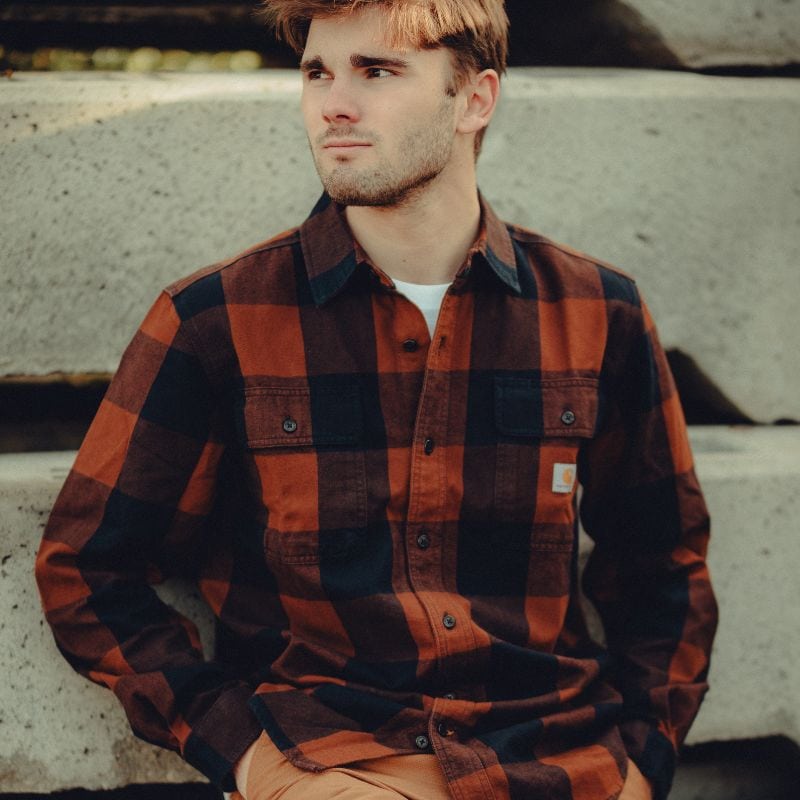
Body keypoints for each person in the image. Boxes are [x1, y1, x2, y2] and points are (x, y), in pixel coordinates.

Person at [35, 1, 718, 799]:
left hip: (559, 760)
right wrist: (248, 757)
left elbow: (664, 563)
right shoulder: (218, 320)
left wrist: (642, 762)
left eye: (377, 71)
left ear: (474, 99)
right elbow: (85, 567)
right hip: (332, 758)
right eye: (317, 73)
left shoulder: (597, 312)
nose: (334, 104)